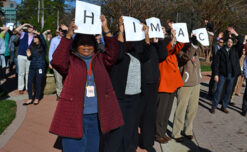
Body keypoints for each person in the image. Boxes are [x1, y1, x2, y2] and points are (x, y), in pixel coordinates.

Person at [49, 15, 123, 152]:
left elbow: (114, 54)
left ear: (95, 45)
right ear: (76, 45)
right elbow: (57, 61)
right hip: (74, 114)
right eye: (82, 43)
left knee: (92, 149)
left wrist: (105, 28)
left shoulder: (100, 59)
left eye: (89, 43)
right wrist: (69, 34)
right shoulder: (70, 60)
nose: (86, 47)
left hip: (96, 116)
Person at [104, 17, 151, 152]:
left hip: (135, 98)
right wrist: (121, 30)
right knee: (116, 132)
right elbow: (117, 54)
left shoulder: (136, 52)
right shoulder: (118, 52)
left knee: (129, 131)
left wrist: (146, 34)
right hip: (120, 98)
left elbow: (147, 55)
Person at [132, 35, 167, 151]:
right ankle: (132, 142)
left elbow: (163, 56)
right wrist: (146, 40)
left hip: (153, 82)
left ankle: (147, 142)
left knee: (150, 114)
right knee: (138, 114)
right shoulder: (137, 43)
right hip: (142, 83)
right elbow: (143, 57)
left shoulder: (153, 45)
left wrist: (159, 40)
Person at [155, 23, 185, 144]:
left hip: (172, 82)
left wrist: (182, 35)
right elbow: (165, 51)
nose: (163, 31)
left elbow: (178, 47)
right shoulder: (159, 44)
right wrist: (172, 39)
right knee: (161, 111)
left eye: (164, 29)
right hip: (164, 83)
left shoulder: (168, 42)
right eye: (161, 29)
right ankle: (157, 134)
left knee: (167, 111)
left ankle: (162, 132)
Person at [172, 35, 202, 142]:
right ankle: (176, 132)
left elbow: (204, 48)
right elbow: (185, 57)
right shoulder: (180, 50)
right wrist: (192, 45)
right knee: (181, 109)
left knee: (192, 109)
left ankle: (188, 130)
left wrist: (209, 34)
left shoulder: (194, 49)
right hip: (185, 84)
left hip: (196, 83)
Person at [210, 26, 243, 114]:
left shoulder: (236, 50)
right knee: (219, 90)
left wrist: (235, 33)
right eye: (228, 41)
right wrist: (216, 74)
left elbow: (240, 42)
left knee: (228, 91)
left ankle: (224, 106)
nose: (229, 43)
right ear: (226, 42)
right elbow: (216, 64)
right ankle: (214, 106)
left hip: (232, 75)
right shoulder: (221, 51)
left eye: (231, 42)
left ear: (233, 43)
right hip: (222, 74)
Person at [23, 30, 47, 105]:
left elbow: (43, 40)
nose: (34, 38)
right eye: (34, 37)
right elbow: (30, 58)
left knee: (38, 82)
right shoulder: (32, 46)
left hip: (40, 67)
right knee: (29, 82)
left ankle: (37, 98)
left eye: (35, 37)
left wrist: (38, 33)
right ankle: (30, 98)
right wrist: (28, 56)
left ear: (39, 39)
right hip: (32, 67)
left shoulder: (43, 46)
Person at [48, 25, 68, 100]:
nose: (63, 32)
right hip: (56, 63)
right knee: (58, 80)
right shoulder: (54, 40)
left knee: (66, 79)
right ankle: (59, 95)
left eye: (64, 31)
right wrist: (50, 62)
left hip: (66, 63)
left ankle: (66, 93)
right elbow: (51, 51)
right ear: (59, 31)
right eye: (61, 31)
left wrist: (68, 29)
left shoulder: (68, 39)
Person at [15, 23, 34, 94]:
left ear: (34, 29)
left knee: (28, 73)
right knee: (21, 73)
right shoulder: (23, 34)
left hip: (29, 57)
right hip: (21, 55)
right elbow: (16, 30)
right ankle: (20, 88)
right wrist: (24, 24)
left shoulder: (35, 37)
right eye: (28, 27)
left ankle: (28, 88)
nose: (29, 28)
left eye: (31, 27)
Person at [208, 32, 224, 97]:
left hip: (220, 66)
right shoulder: (216, 47)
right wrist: (218, 37)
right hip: (215, 65)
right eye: (220, 42)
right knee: (214, 80)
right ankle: (212, 93)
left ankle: (211, 92)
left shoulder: (222, 49)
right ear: (218, 42)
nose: (221, 43)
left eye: (222, 42)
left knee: (214, 79)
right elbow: (214, 43)